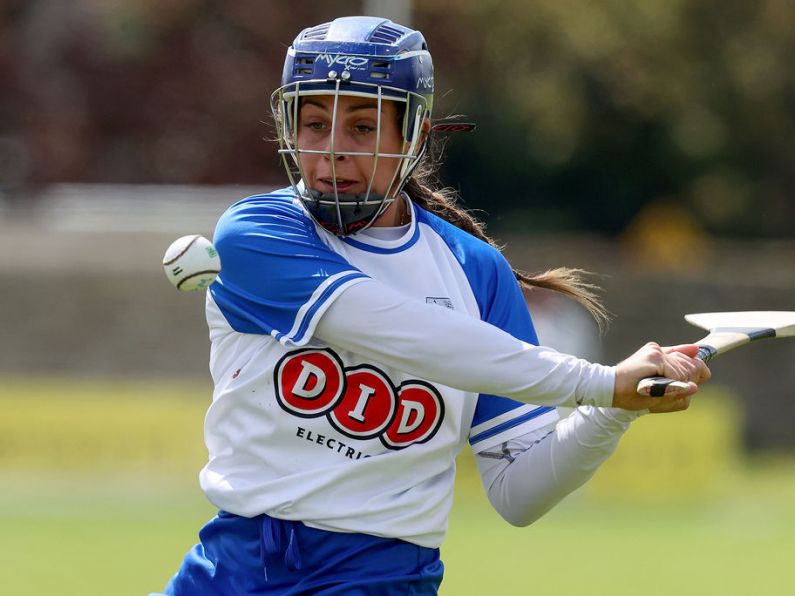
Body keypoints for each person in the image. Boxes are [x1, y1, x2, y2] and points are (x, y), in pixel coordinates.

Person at [155, 16, 710, 595]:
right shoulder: (257, 233)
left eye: (364, 126)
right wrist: (598, 382)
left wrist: (616, 407)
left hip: (380, 579)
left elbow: (520, 493)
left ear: (414, 138)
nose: (333, 151)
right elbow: (404, 332)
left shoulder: (475, 271)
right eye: (315, 124)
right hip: (232, 566)